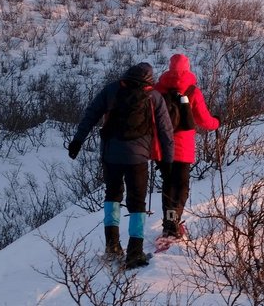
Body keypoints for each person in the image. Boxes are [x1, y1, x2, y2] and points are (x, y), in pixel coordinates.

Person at [67, 62, 176, 268]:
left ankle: (112, 246)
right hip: (138, 158)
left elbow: (91, 114)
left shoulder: (112, 89)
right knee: (137, 203)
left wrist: (77, 141)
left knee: (112, 196)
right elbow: (166, 132)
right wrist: (167, 162)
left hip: (110, 155)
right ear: (149, 79)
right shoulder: (153, 97)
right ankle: (135, 252)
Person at [154, 53, 219, 239]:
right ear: (187, 68)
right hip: (183, 147)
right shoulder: (192, 91)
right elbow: (204, 120)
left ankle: (169, 223)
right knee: (182, 186)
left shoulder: (159, 90)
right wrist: (216, 123)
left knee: (168, 184)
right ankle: (174, 223)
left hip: (163, 146)